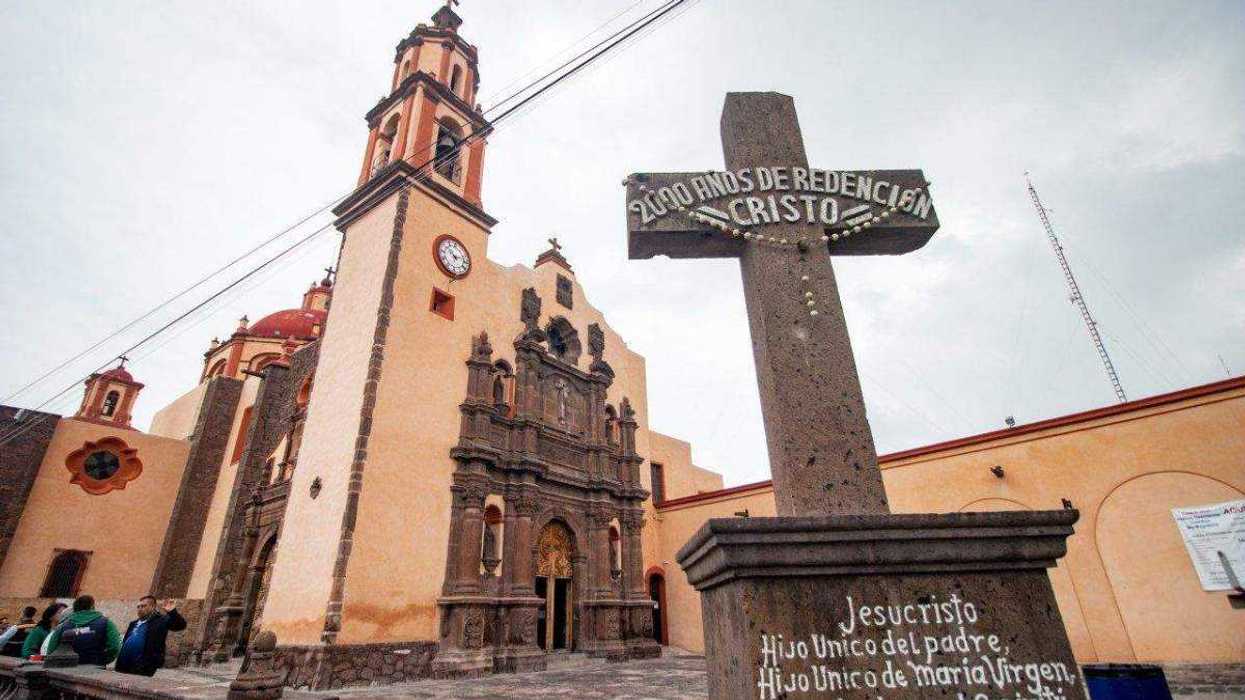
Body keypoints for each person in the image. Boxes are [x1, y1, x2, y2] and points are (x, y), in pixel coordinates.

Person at [114, 596, 186, 677]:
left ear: (153, 607)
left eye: (143, 606)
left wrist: (172, 612)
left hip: (143, 667)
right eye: (138, 606)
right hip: (123, 665)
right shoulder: (133, 623)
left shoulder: (161, 621)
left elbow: (180, 625)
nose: (140, 609)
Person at [44, 595, 121, 666]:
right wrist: (103, 660)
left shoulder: (63, 626)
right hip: (94, 669)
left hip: (67, 668)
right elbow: (114, 647)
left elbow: (51, 650)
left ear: (74, 608)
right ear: (92, 606)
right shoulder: (107, 623)